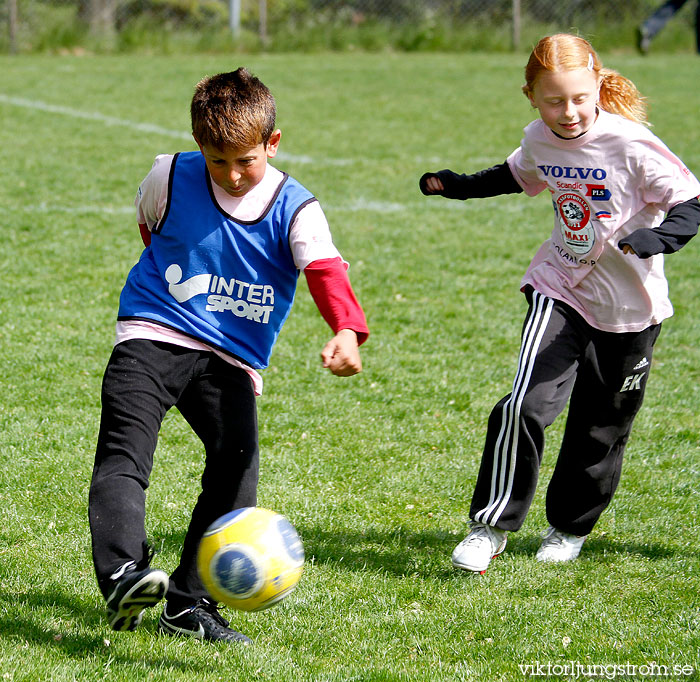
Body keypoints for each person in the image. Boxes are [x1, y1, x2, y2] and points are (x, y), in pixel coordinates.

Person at [88, 68, 369, 642]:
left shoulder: (297, 209)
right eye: (218, 162)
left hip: (230, 358)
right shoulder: (168, 174)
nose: (233, 175)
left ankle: (187, 605)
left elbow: (325, 272)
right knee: (124, 453)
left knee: (236, 471)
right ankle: (122, 575)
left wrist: (346, 328)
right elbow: (151, 227)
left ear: (272, 143)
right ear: (199, 148)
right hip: (150, 332)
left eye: (246, 160)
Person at [419, 33, 700, 573]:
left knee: (602, 424)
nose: (567, 112)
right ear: (530, 95)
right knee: (524, 403)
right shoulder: (539, 138)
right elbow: (517, 173)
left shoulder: (631, 143)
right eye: (553, 101)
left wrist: (657, 239)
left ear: (597, 84)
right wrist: (456, 186)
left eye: (577, 98)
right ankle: (490, 527)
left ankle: (569, 527)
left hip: (631, 308)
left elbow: (690, 199)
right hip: (562, 287)